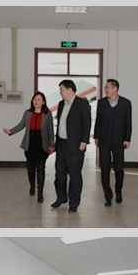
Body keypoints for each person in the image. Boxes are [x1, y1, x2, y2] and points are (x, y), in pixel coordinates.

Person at [3, 92, 54, 203]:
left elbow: (50, 131)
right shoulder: (28, 113)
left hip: (42, 145)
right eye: (34, 99)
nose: (36, 101)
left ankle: (40, 193)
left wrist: (51, 145)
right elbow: (21, 125)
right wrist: (10, 131)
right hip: (30, 144)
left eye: (39, 100)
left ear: (43, 102)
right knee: (30, 169)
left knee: (40, 169)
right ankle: (32, 186)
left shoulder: (47, 114)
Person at [52, 79, 91, 213]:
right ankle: (61, 197)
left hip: (75, 146)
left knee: (74, 175)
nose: (60, 92)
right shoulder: (61, 104)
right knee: (59, 175)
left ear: (70, 90)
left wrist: (84, 142)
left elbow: (87, 124)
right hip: (61, 145)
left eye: (61, 89)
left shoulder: (82, 104)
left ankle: (74, 202)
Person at [94, 79, 132, 206]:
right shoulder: (102, 103)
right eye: (105, 88)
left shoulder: (126, 103)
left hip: (119, 142)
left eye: (108, 87)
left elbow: (128, 122)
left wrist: (127, 139)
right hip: (104, 141)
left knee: (118, 169)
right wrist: (96, 136)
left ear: (115, 89)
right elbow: (98, 121)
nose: (105, 90)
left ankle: (118, 191)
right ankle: (108, 196)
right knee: (104, 169)